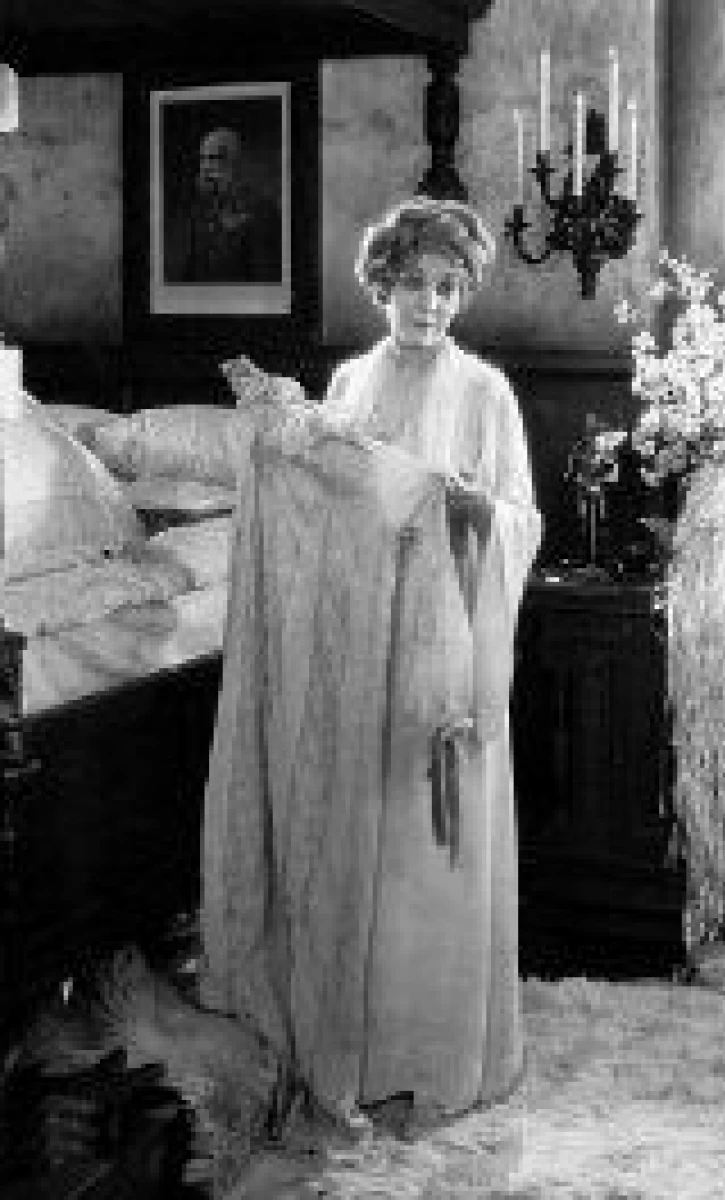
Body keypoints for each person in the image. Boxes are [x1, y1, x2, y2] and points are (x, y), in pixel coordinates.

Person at [200, 197, 542, 1136]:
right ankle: (351, 1043)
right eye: (413, 284)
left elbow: (522, 519)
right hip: (358, 654)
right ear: (382, 285)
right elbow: (325, 505)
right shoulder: (348, 385)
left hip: (441, 654)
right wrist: (283, 443)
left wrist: (472, 513)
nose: (430, 304)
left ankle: (429, 1055)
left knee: (428, 851)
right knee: (360, 846)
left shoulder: (486, 393)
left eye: (448, 288)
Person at [167, 126, 282, 284]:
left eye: (214, 158)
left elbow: (266, 282)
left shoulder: (262, 210)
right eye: (202, 159)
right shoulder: (199, 211)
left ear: (235, 163)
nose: (205, 167)